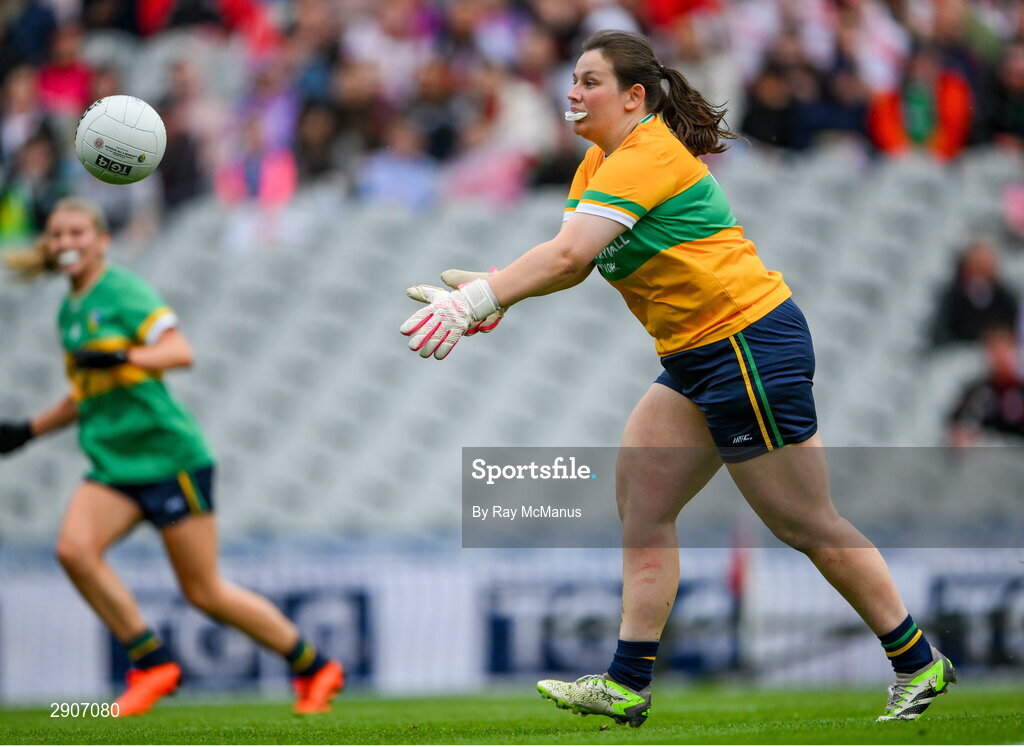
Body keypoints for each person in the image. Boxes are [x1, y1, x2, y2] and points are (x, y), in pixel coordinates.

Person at [400, 30, 955, 727]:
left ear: (634, 96)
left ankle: (916, 659)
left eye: (590, 81)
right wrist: (492, 294)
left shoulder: (647, 152)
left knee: (805, 521)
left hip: (746, 342)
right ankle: (627, 682)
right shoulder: (599, 165)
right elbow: (568, 258)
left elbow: (570, 258)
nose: (572, 91)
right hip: (699, 355)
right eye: (571, 79)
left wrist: (482, 298)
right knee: (644, 503)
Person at [0, 197, 343, 716]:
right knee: (73, 551)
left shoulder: (123, 291)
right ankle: (152, 661)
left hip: (168, 457)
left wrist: (124, 354)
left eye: (76, 234)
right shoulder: (70, 308)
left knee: (204, 592)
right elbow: (89, 392)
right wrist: (28, 431)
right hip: (115, 463)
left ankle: (315, 668)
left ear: (101, 241)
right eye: (56, 235)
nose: (65, 243)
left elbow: (181, 353)